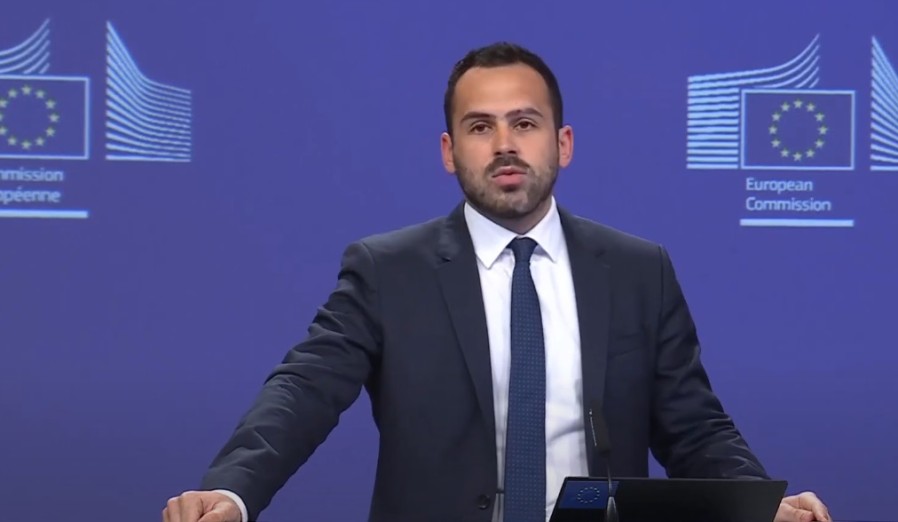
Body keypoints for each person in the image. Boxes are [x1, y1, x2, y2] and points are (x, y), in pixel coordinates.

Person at [162, 42, 831, 522]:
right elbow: (303, 391)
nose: (505, 144)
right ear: (449, 151)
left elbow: (694, 427)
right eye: (480, 127)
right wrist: (233, 490)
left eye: (525, 123)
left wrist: (762, 504)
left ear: (562, 144)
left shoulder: (637, 270)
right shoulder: (387, 271)